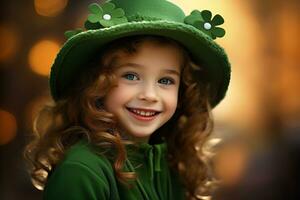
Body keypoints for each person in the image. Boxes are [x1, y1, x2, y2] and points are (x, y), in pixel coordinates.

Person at [24, 0, 231, 199]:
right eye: (131, 76)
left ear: (183, 90)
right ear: (96, 82)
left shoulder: (172, 166)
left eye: (166, 80)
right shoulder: (81, 172)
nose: (149, 95)